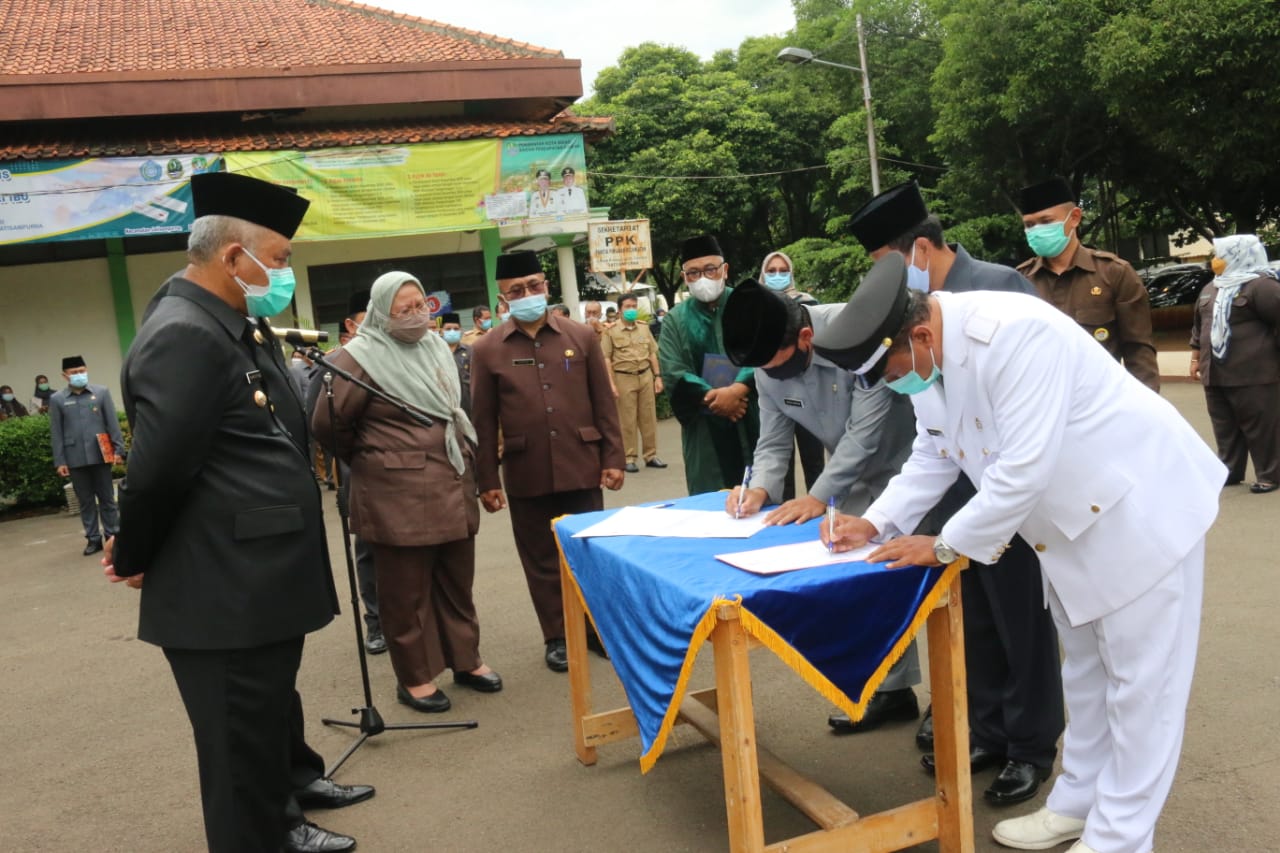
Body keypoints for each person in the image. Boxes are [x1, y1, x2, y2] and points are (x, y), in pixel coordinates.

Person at [815, 253, 1225, 853]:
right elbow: (934, 455)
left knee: (1143, 690)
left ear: (920, 335)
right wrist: (873, 521)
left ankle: (1120, 838)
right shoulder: (930, 361)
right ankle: (1077, 803)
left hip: (1140, 513)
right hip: (1066, 528)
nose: (892, 385)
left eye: (890, 371)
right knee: (1084, 674)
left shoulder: (1015, 334)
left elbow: (1022, 469)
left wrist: (946, 544)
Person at [102, 171, 365, 853]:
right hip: (225, 588)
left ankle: (284, 815)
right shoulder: (186, 333)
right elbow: (158, 471)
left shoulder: (231, 323)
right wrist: (134, 555)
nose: (283, 272)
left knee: (258, 735)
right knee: (239, 767)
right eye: (277, 258)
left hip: (254, 579)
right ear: (232, 256)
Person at [823, 181, 1067, 808]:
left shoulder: (997, 293)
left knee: (1022, 622)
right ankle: (986, 729)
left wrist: (956, 528)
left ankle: (1031, 745)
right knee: (973, 621)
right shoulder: (906, 317)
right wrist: (877, 522)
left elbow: (1021, 445)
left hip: (1015, 498)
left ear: (920, 250)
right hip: (951, 495)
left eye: (886, 268)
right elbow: (933, 444)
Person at [313, 272, 500, 713]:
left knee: (456, 582)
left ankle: (465, 660)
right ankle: (414, 678)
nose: (417, 315)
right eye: (405, 309)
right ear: (380, 314)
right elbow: (328, 426)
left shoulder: (438, 348)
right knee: (406, 592)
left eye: (422, 306)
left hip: (452, 483)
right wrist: (384, 458)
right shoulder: (356, 359)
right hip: (395, 495)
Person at [471, 250, 625, 671]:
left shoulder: (581, 336)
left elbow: (603, 403)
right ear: (502, 299)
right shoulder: (487, 349)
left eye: (534, 285)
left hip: (582, 461)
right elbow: (482, 421)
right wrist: (487, 479)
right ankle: (557, 636)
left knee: (588, 552)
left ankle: (597, 630)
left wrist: (614, 457)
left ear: (547, 285)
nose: (528, 294)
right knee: (540, 558)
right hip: (525, 468)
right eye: (516, 290)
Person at [719, 278, 915, 524]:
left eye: (780, 367)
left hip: (910, 477)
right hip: (851, 491)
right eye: (765, 370)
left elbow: (863, 434)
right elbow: (772, 442)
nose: (774, 377)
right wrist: (759, 489)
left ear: (806, 337)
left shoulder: (856, 333)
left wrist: (816, 498)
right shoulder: (767, 363)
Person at [1017, 177, 1160, 391]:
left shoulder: (1114, 273)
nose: (1036, 230)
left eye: (1046, 221)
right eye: (1029, 225)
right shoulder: (1019, 281)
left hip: (1101, 404)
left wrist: (1147, 411)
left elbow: (1138, 352)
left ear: (1074, 218)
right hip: (1042, 406)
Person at [309, 289, 385, 655]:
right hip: (361, 473)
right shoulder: (335, 362)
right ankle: (376, 623)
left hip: (409, 476)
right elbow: (318, 422)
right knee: (370, 550)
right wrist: (358, 456)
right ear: (351, 326)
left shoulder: (405, 355)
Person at [657, 234, 760, 495]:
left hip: (754, 417)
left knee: (763, 496)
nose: (702, 278)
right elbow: (673, 371)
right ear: (684, 277)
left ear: (725, 269)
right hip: (704, 429)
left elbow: (766, 352)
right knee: (711, 507)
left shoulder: (750, 305)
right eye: (693, 272)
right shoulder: (674, 320)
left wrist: (737, 390)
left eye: (710, 269)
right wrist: (715, 398)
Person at [1191, 234, 1280, 494]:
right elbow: (1199, 326)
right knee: (1224, 425)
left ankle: (1269, 474)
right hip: (1215, 372)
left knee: (1262, 426)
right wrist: (1196, 357)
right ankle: (1230, 469)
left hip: (1254, 372)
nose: (1215, 261)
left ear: (1239, 255)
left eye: (1220, 255)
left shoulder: (1261, 286)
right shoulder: (1212, 287)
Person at [758, 250, 826, 501]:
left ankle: (818, 502)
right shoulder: (759, 309)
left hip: (812, 393)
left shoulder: (809, 304)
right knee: (779, 459)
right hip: (777, 392)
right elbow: (771, 448)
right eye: (772, 271)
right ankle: (784, 506)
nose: (778, 275)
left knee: (814, 458)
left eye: (783, 270)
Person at [49, 355, 124, 555]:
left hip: (100, 453)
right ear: (64, 376)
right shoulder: (58, 399)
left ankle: (113, 535)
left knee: (107, 498)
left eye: (81, 370)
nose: (79, 375)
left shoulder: (101, 393)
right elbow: (56, 432)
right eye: (74, 373)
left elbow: (112, 423)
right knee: (85, 500)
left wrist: (119, 449)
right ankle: (93, 539)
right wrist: (60, 461)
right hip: (74, 458)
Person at [602, 293, 666, 473]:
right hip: (623, 377)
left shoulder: (644, 328)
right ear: (620, 310)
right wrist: (612, 384)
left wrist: (658, 376)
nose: (631, 310)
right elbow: (606, 359)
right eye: (627, 307)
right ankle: (629, 457)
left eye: (633, 306)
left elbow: (652, 353)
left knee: (649, 418)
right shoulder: (611, 330)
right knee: (627, 419)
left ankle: (651, 455)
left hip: (645, 375)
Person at [439, 311, 473, 416]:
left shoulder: (470, 351)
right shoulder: (435, 352)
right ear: (441, 331)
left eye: (456, 329)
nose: (452, 331)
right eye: (448, 329)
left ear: (461, 331)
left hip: (467, 401)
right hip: (443, 401)